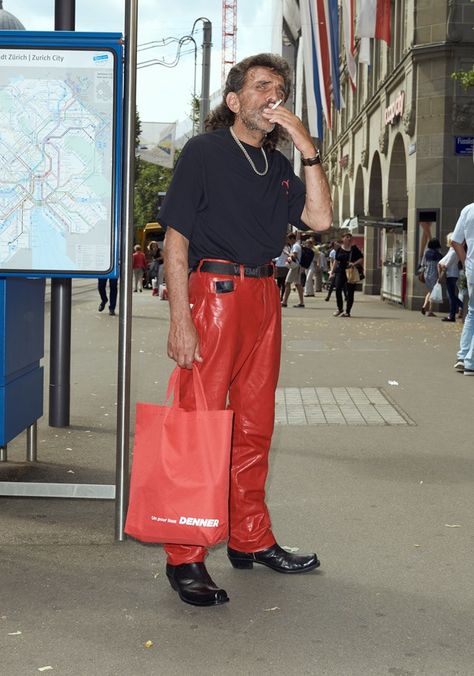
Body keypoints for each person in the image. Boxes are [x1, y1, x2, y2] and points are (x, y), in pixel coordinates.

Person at [158, 53, 332, 607]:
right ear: (234, 102)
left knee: (254, 428)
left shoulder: (281, 166)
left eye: (279, 88)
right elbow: (176, 238)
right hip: (213, 295)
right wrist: (180, 318)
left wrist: (307, 147)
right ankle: (184, 557)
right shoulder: (204, 152)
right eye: (261, 86)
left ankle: (249, 539)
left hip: (264, 298)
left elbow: (322, 221)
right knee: (200, 427)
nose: (272, 95)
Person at [451, 203, 474, 375]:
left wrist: (466, 262)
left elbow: (455, 241)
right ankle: (470, 361)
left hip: (472, 268)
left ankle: (463, 355)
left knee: (472, 312)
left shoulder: (467, 209)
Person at [330, 232, 363, 317]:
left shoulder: (354, 249)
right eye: (347, 237)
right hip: (340, 271)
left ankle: (347, 311)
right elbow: (336, 261)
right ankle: (340, 308)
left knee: (350, 292)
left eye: (350, 237)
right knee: (338, 289)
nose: (349, 239)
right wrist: (332, 272)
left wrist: (354, 263)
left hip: (351, 271)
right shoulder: (339, 249)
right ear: (343, 239)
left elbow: (361, 258)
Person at [437, 232, 463, 322]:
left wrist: (442, 266)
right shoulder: (453, 250)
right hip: (451, 274)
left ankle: (462, 307)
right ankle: (452, 315)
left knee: (451, 296)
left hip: (451, 274)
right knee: (451, 296)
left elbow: (447, 263)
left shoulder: (453, 251)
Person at [281, 232, 305, 307]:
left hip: (295, 267)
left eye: (288, 239)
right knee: (297, 284)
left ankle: (284, 302)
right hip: (297, 266)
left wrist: (287, 253)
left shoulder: (295, 246)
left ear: (292, 239)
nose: (287, 241)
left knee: (287, 283)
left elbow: (294, 256)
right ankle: (301, 302)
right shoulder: (296, 245)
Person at [420, 238, 443, 316]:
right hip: (434, 274)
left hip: (426, 273)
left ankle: (424, 306)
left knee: (430, 291)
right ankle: (430, 310)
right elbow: (439, 265)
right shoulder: (438, 254)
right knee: (432, 292)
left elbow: (423, 263)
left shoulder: (426, 252)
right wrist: (439, 276)